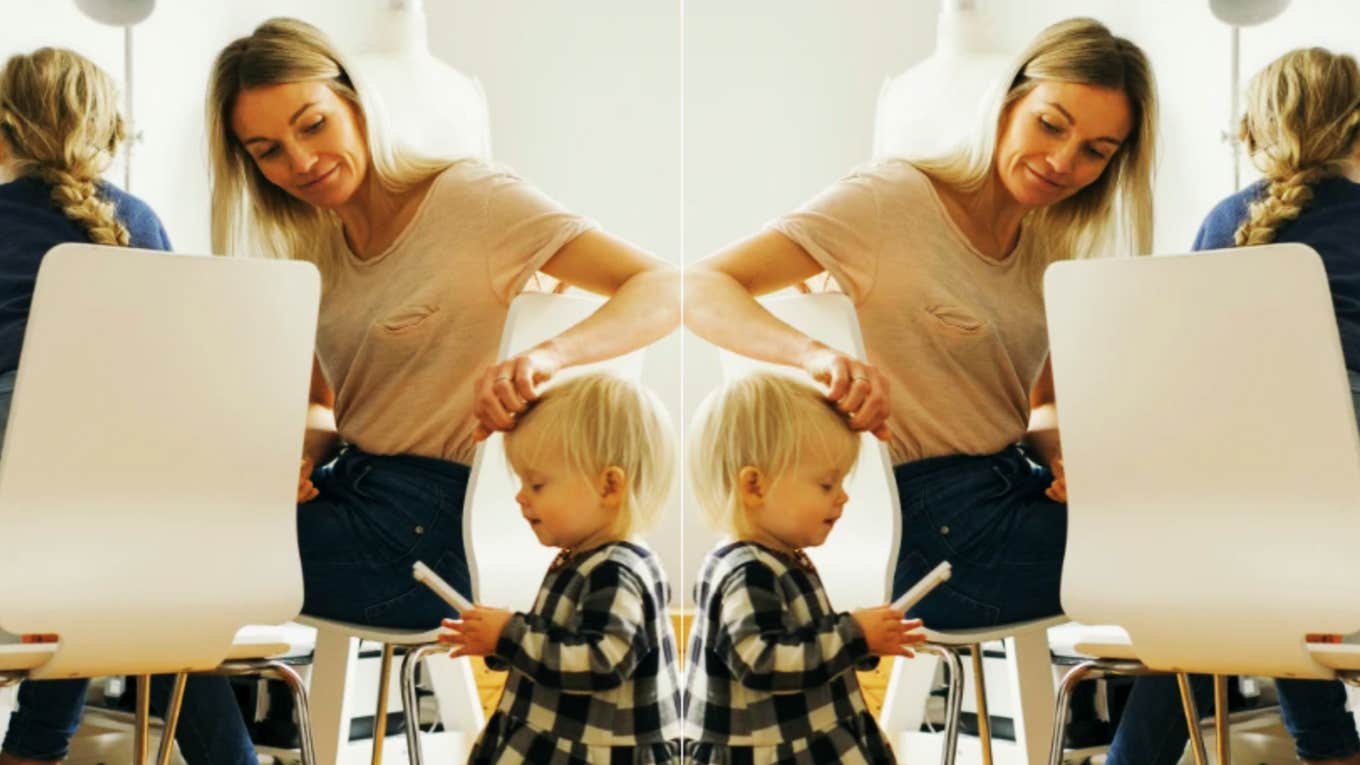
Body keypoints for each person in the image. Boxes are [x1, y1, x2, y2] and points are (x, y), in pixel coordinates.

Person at [199, 17, 679, 761]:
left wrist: (548, 356)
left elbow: (658, 288)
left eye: (313, 124)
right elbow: (325, 401)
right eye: (268, 151)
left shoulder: (470, 200)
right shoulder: (316, 240)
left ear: (357, 102)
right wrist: (297, 455)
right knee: (158, 554)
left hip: (432, 531)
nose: (300, 160)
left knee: (165, 571)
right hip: (354, 489)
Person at [684, 17, 1155, 630]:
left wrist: (1069, 458)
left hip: (1010, 490)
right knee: (1192, 567)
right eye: (1050, 125)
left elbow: (1040, 408)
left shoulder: (1046, 246)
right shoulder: (893, 199)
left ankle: (1146, 731)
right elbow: (699, 287)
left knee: (1200, 554)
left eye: (1095, 151)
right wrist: (813, 356)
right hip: (931, 532)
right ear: (1009, 101)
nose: (1063, 161)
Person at [1107, 47, 1360, 765]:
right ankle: (1330, 749)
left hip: (1209, 511)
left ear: (1250, 132)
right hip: (1325, 515)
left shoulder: (1223, 222)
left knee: (1233, 582)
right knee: (1260, 567)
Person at [0, 47, 249, 765]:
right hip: (148, 502)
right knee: (137, 586)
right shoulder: (139, 220)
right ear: (112, 132)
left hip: (38, 507)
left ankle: (31, 751)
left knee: (111, 576)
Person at [683, 372, 925, 764]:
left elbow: (803, 638)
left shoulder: (781, 559)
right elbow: (761, 661)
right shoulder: (744, 569)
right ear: (755, 487)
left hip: (807, 733)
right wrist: (853, 635)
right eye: (826, 485)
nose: (843, 496)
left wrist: (865, 642)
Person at [439, 372, 681, 763]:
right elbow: (560, 637)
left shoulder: (618, 570)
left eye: (537, 484)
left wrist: (510, 635)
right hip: (555, 733)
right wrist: (498, 642)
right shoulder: (583, 559)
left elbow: (600, 662)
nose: (520, 497)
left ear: (608, 487)